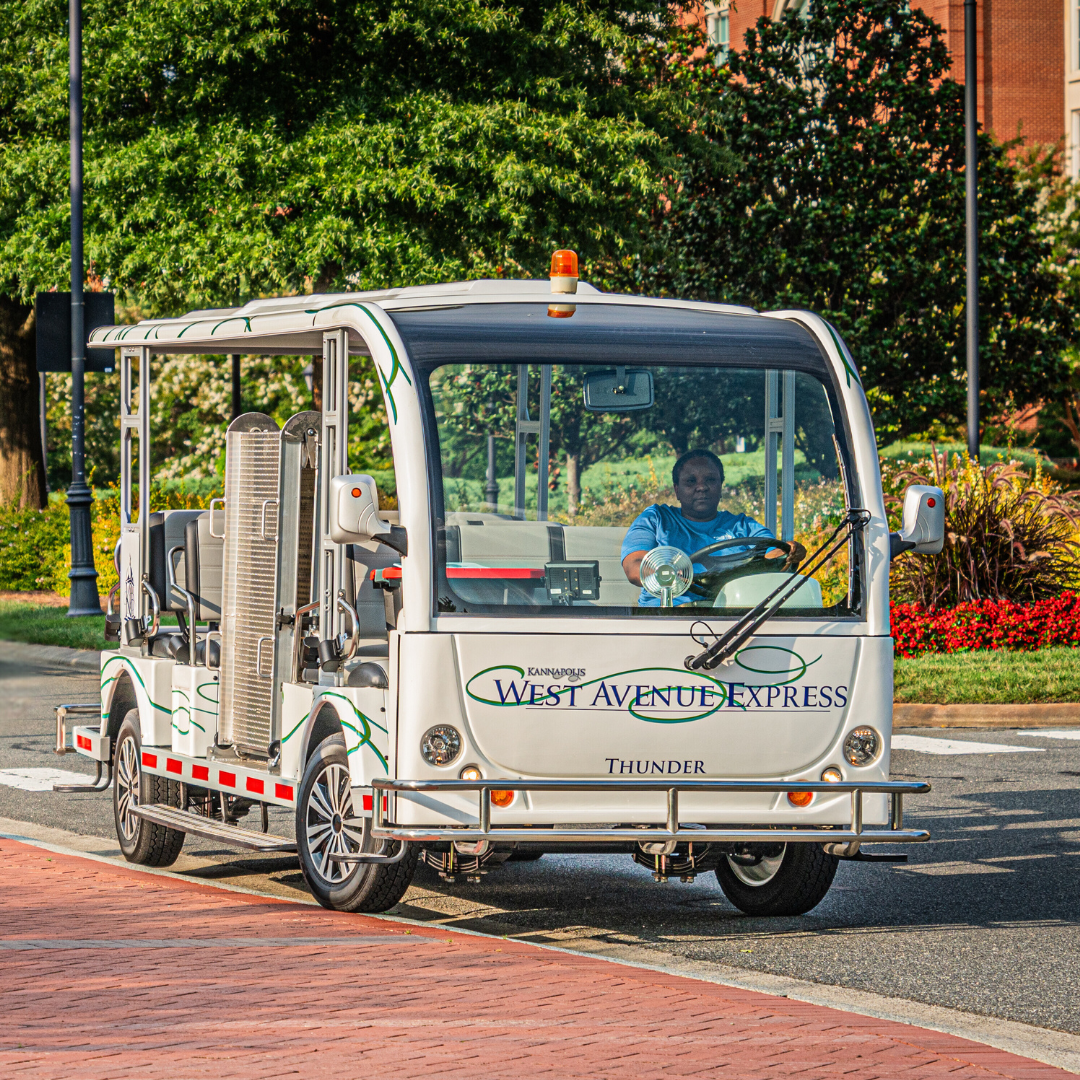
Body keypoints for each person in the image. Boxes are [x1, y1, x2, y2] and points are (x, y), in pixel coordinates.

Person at [620, 448, 806, 607]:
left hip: (734, 618)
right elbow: (634, 566)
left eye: (710, 480)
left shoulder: (743, 525)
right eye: (691, 481)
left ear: (720, 486)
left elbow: (774, 555)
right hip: (667, 618)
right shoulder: (657, 518)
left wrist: (790, 551)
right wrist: (667, 575)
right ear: (677, 490)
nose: (702, 487)